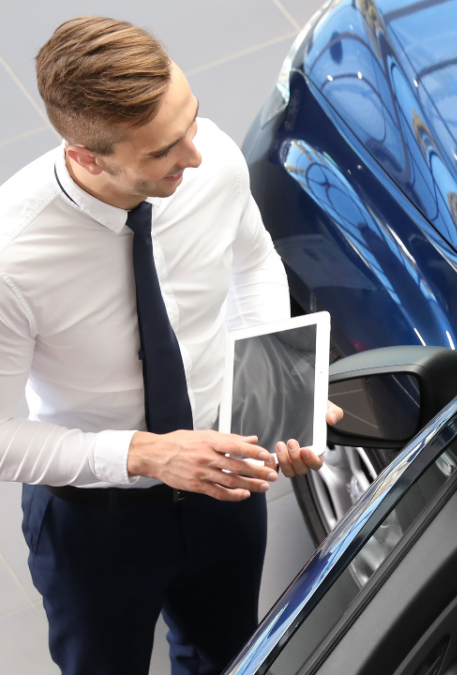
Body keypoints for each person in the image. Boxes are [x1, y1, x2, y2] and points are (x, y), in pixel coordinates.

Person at [0, 17, 337, 675]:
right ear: (85, 156)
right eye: (161, 152)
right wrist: (149, 453)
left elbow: (254, 262)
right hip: (95, 523)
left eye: (192, 121)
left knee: (231, 654)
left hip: (226, 488)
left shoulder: (209, 160)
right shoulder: (13, 260)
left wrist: (277, 393)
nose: (196, 155)